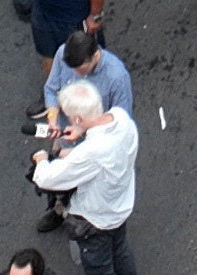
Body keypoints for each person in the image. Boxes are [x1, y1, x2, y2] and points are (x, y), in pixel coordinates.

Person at [31, 81, 141, 275]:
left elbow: (47, 178)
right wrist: (81, 133)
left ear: (79, 118)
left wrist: (40, 159)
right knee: (121, 253)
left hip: (96, 220)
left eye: (71, 118)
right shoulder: (121, 118)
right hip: (120, 206)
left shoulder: (91, 152)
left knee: (100, 268)